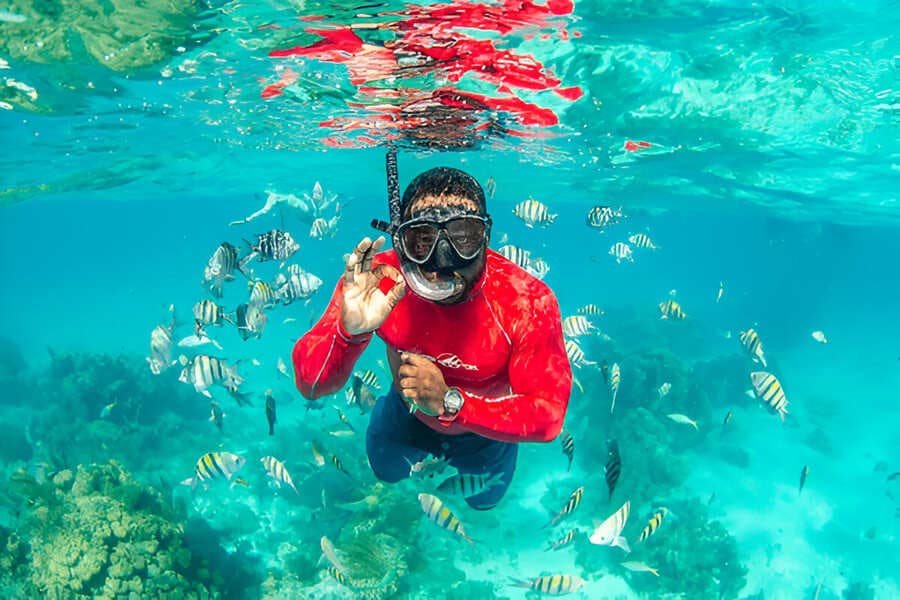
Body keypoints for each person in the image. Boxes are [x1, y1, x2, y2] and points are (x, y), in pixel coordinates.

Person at [292, 165, 572, 510]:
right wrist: (349, 333)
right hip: (404, 416)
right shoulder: (377, 280)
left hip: (485, 433)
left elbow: (548, 416)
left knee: (484, 501)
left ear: (485, 238)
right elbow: (311, 385)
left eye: (462, 237)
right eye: (422, 240)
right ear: (400, 241)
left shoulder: (525, 301)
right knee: (386, 472)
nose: (441, 262)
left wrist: (450, 403)